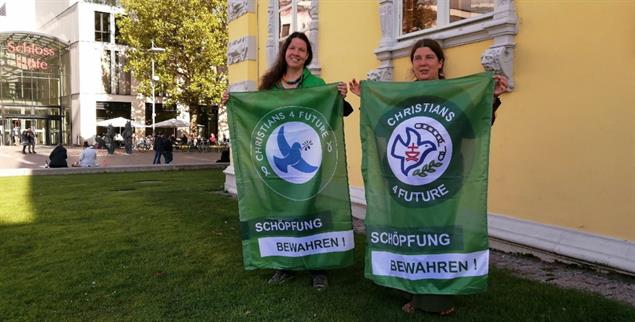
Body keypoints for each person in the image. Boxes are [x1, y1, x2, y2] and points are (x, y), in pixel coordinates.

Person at [349, 38, 508, 316]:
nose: (423, 63)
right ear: (412, 65)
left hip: (446, 177)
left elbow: (473, 124)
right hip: (409, 183)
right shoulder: (404, 96)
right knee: (414, 232)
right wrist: (370, 98)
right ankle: (416, 295)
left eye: (428, 57)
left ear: (440, 63)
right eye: (418, 58)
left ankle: (439, 300)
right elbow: (385, 122)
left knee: (440, 233)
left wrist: (492, 98)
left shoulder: (455, 93)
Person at [224, 31, 353, 290]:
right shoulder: (270, 85)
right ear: (285, 52)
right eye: (292, 47)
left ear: (307, 56)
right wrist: (233, 102)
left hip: (312, 163)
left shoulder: (317, 85)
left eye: (302, 50)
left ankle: (318, 268)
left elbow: (338, 112)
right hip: (276, 167)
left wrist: (340, 95)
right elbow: (255, 113)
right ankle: (284, 265)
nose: (296, 52)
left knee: (313, 212)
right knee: (281, 211)